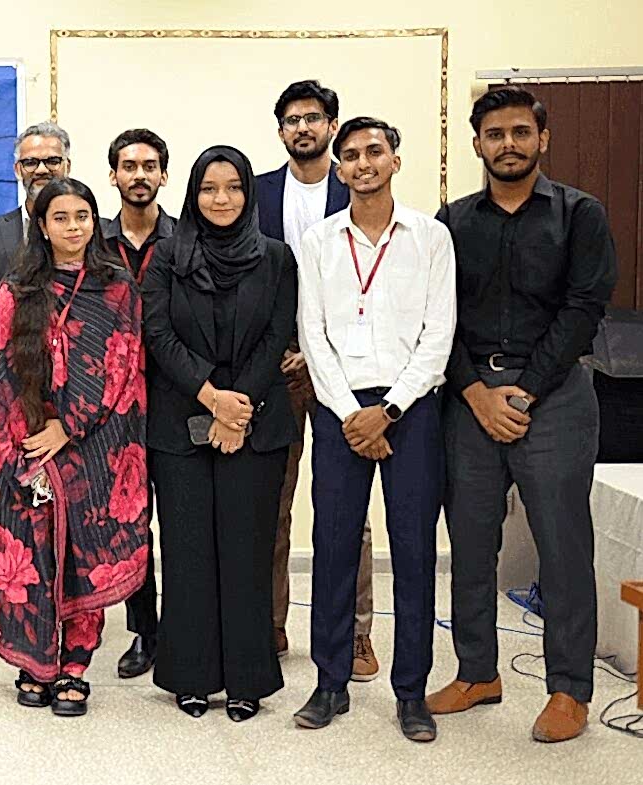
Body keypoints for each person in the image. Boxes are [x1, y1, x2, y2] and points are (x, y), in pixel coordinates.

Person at [428, 86, 617, 744]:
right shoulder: (449, 223)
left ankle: (569, 689)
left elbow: (583, 307)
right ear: (476, 143)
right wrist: (477, 392)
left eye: (520, 132)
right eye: (495, 133)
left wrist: (526, 390)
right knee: (472, 547)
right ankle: (478, 670)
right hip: (470, 399)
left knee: (563, 550)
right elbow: (434, 316)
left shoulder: (579, 214)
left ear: (543, 139)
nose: (508, 143)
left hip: (557, 396)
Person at [289, 119, 456, 742]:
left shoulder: (431, 238)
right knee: (333, 550)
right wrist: (348, 412)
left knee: (413, 554)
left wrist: (388, 411)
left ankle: (410, 692)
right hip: (339, 411)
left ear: (395, 159)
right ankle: (330, 683)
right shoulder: (318, 241)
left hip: (411, 410)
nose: (362, 164)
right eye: (350, 156)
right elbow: (314, 333)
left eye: (374, 152)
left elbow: (439, 336)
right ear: (338, 168)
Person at [0, 178, 149, 717]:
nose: (74, 227)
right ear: (42, 228)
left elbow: (122, 365)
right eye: (61, 218)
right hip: (28, 445)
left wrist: (67, 428)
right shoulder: (17, 290)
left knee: (81, 558)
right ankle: (35, 663)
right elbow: (4, 368)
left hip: (95, 445)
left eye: (83, 216)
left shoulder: (117, 287)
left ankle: (75, 666)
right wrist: (30, 440)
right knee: (34, 553)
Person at [144, 146, 297, 722]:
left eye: (233, 187)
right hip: (180, 425)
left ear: (248, 193)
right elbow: (157, 334)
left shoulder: (277, 259)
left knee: (247, 552)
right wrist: (211, 397)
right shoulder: (166, 256)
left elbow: (278, 333)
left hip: (255, 429)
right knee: (186, 552)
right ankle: (189, 674)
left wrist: (240, 410)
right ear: (192, 195)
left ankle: (246, 679)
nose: (222, 199)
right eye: (209, 188)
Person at [255, 79, 374, 676]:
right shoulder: (254, 194)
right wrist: (282, 349)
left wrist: (320, 350)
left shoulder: (357, 189)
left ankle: (355, 633)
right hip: (274, 372)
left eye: (314, 118)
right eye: (292, 119)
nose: (303, 128)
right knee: (270, 505)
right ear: (280, 131)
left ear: (332, 125)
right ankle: (269, 625)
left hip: (342, 373)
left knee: (345, 507)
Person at [103, 128, 176, 680]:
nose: (139, 175)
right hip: (111, 409)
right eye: (129, 166)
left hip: (175, 399)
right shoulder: (94, 242)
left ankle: (184, 630)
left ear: (164, 176)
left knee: (182, 522)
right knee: (130, 524)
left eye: (149, 165)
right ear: (114, 177)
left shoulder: (188, 239)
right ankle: (144, 632)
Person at [0, 121, 72, 355]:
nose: (42, 170)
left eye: (52, 161)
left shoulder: (91, 229)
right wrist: (6, 360)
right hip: (15, 369)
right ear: (17, 170)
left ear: (67, 166)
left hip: (80, 372)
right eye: (30, 162)